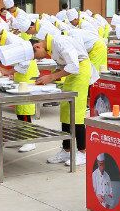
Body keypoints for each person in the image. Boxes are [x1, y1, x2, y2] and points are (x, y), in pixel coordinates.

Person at [31, 27, 96, 166]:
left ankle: (83, 151)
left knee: (76, 111)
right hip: (72, 74)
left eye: (38, 56)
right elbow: (63, 66)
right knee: (66, 110)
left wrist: (51, 77)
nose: (40, 58)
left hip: (80, 72)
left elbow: (74, 66)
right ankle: (66, 149)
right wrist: (48, 77)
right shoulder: (51, 46)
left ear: (37, 46)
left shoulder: (59, 42)